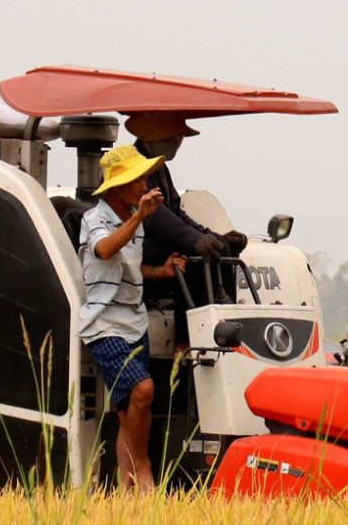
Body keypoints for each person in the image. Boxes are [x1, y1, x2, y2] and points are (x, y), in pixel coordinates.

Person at [80, 145, 188, 488]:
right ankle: (143, 467)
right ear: (118, 185)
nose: (144, 184)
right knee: (143, 391)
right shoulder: (94, 219)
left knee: (129, 411)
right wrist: (139, 217)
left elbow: (128, 267)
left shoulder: (131, 219)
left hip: (133, 321)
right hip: (104, 324)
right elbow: (106, 249)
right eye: (136, 178)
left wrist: (160, 271)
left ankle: (127, 488)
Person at [124, 113, 249, 303]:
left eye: (178, 138)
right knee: (194, 258)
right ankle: (191, 327)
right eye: (169, 138)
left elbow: (175, 212)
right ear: (147, 136)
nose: (175, 143)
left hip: (154, 242)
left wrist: (211, 236)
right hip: (134, 243)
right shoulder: (133, 167)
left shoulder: (159, 167)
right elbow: (154, 214)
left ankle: (225, 311)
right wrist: (195, 239)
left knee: (219, 250)